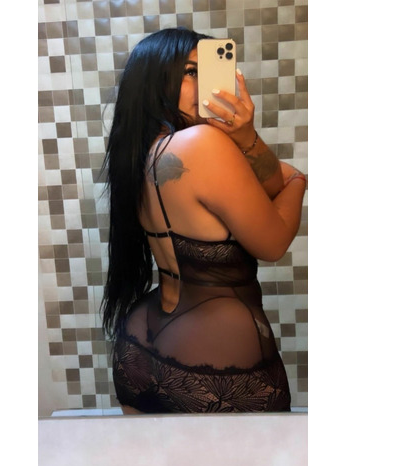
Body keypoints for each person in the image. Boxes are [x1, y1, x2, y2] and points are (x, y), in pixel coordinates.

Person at [100, 28, 306, 414]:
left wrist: (244, 136)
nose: (206, 81)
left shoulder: (140, 154)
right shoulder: (203, 144)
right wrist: (298, 181)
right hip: (213, 355)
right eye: (191, 71)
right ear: (155, 80)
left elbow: (267, 182)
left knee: (153, 455)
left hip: (139, 343)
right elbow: (274, 240)